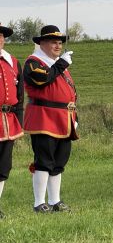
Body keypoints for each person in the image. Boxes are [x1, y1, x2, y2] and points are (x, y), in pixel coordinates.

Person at [24, 25, 77, 213]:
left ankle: (55, 200)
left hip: (64, 118)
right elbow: (42, 79)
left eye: (60, 42)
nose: (58, 45)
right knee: (44, 161)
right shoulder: (33, 62)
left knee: (59, 161)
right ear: (42, 43)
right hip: (43, 117)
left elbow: (70, 93)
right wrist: (61, 64)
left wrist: (74, 117)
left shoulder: (58, 64)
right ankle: (39, 202)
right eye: (54, 42)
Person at [0, 24, 24, 218]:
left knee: (3, 166)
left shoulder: (14, 62)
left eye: (1, 36)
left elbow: (20, 95)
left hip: (8, 120)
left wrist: (20, 120)